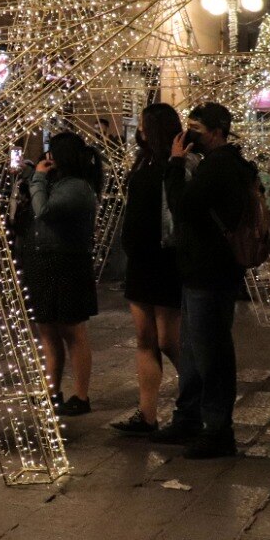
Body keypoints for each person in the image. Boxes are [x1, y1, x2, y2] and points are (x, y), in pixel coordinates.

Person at [153, 103, 252, 459]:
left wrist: (176, 163)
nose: (191, 133)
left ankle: (218, 429)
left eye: (197, 127)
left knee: (212, 352)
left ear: (217, 130)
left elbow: (182, 205)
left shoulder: (220, 166)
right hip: (204, 270)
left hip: (210, 271)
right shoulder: (231, 163)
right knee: (194, 349)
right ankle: (190, 418)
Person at [111, 104, 182, 435]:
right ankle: (147, 414)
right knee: (145, 338)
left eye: (142, 124)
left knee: (169, 340)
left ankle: (197, 395)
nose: (138, 129)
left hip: (166, 259)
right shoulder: (143, 161)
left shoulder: (177, 162)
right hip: (140, 259)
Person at [21, 131, 100, 417]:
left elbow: (44, 211)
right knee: (47, 330)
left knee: (72, 330)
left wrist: (39, 179)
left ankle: (81, 396)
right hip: (45, 261)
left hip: (67, 263)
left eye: (51, 152)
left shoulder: (77, 187)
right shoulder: (59, 183)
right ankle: (51, 391)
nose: (47, 157)